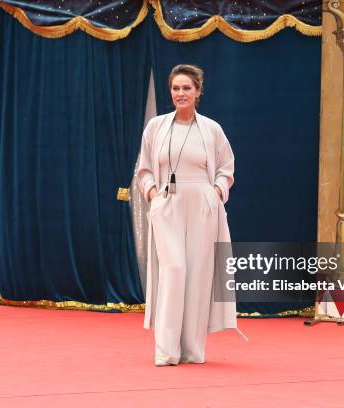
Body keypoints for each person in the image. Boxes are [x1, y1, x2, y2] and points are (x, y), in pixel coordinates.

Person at [137, 64, 237, 366]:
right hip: (168, 206)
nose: (180, 93)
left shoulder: (212, 129)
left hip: (203, 207)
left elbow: (226, 168)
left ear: (198, 92)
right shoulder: (156, 127)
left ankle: (192, 349)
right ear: (170, 91)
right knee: (175, 270)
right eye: (176, 88)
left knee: (197, 275)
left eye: (186, 88)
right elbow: (143, 170)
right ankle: (167, 350)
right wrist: (154, 196)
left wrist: (216, 193)